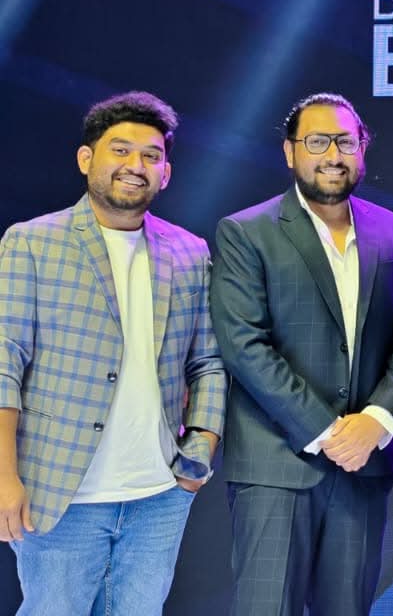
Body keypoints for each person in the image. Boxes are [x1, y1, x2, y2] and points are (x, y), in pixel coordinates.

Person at [0, 91, 225, 614]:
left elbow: (209, 362)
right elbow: (4, 361)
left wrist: (199, 452)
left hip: (158, 495)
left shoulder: (190, 251)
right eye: (120, 150)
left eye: (150, 155)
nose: (135, 165)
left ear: (166, 173)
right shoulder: (31, 243)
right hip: (59, 493)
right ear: (87, 159)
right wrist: (4, 475)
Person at [210, 93, 393, 615]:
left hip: (363, 466)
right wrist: (330, 432)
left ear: (363, 149)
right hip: (276, 465)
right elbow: (244, 345)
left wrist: (375, 422)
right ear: (290, 152)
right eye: (317, 141)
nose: (333, 154)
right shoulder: (246, 232)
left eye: (346, 142)